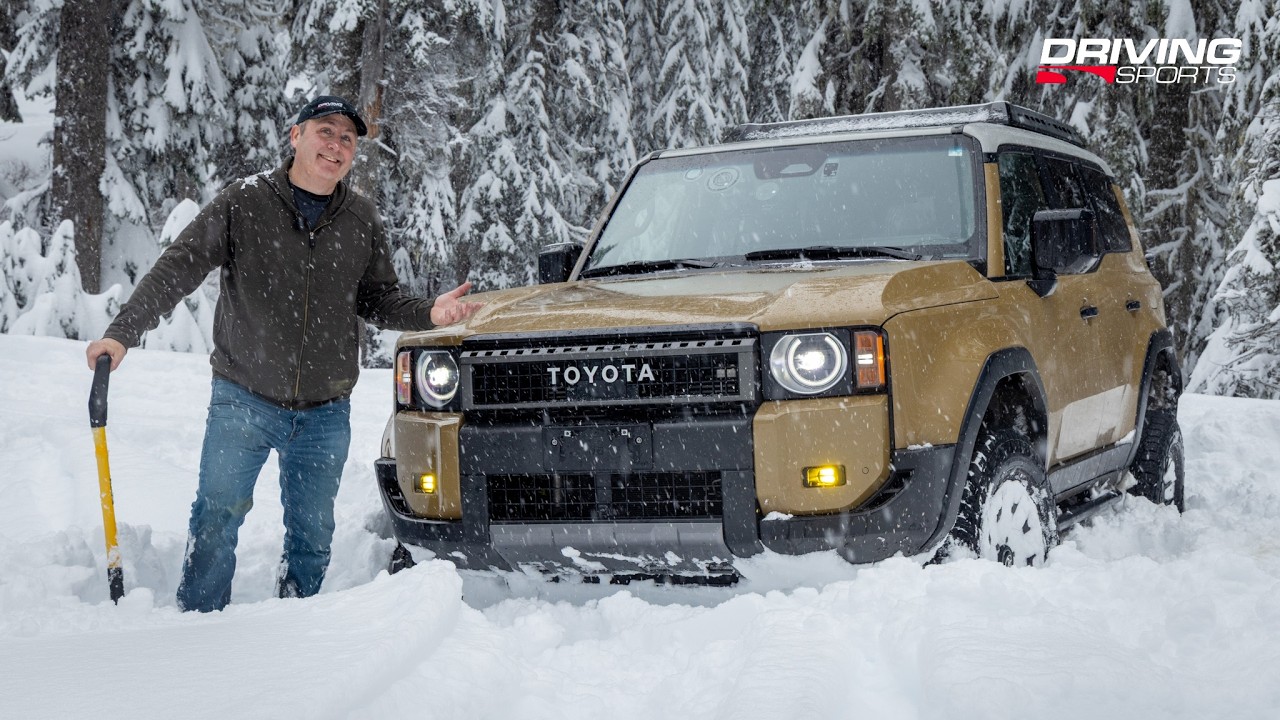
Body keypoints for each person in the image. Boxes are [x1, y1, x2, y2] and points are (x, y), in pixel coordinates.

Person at [84, 95, 481, 612]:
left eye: (347, 138)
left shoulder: (360, 219)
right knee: (215, 517)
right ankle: (197, 624)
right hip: (243, 398)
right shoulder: (244, 202)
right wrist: (122, 332)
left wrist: (429, 313)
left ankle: (293, 632)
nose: (336, 145)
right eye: (325, 131)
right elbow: (178, 266)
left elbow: (377, 297)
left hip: (325, 410)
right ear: (296, 136)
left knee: (312, 537)